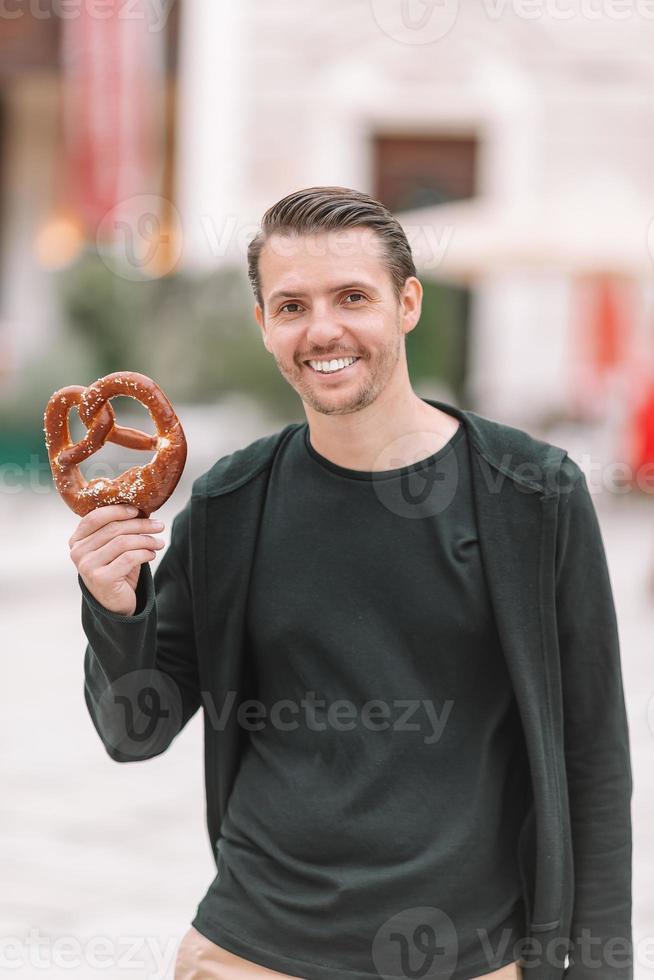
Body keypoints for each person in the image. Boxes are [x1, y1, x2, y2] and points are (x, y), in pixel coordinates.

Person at [70, 187, 633, 980]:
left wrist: (601, 966)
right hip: (252, 953)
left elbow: (594, 758)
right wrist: (115, 606)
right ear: (264, 323)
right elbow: (135, 734)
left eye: (352, 297)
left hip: (469, 958)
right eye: (292, 304)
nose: (323, 329)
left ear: (407, 303)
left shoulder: (532, 494)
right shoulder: (232, 501)